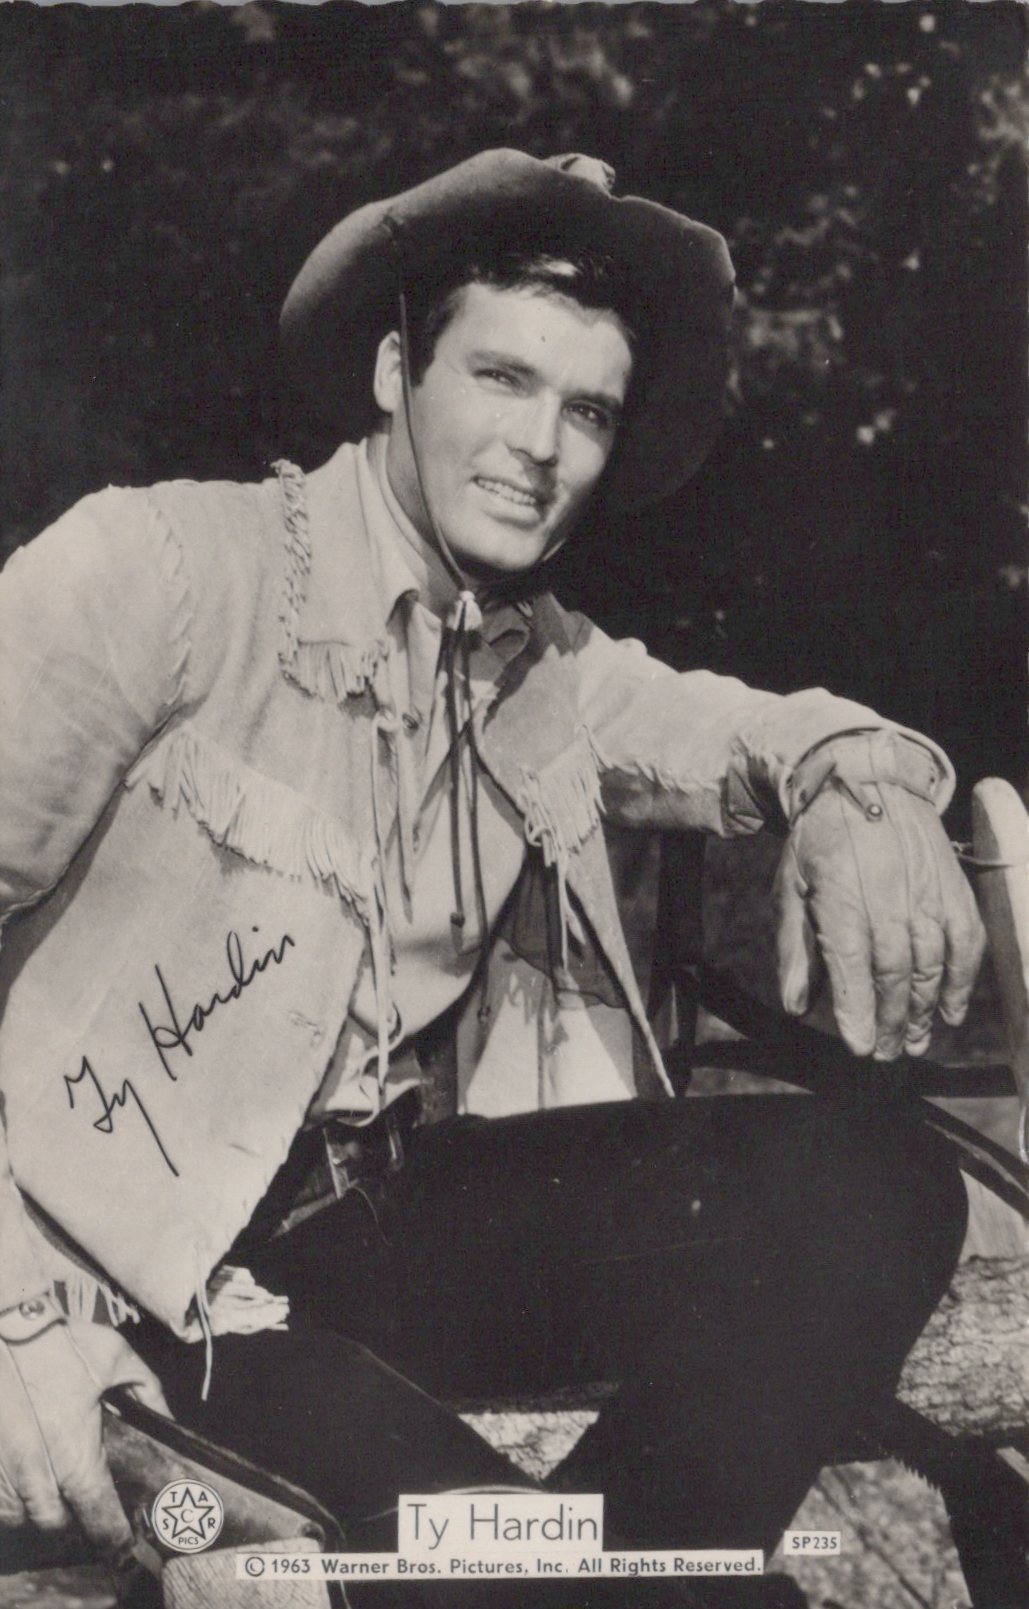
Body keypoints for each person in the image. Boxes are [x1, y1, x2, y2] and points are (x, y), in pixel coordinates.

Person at [0, 150, 984, 1605]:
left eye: (584, 409)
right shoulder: (163, 571)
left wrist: (869, 783)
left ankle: (612, 1581)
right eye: (500, 379)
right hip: (142, 1281)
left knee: (878, 1178)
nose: (544, 445)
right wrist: (15, 1313)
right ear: (397, 370)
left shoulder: (535, 658)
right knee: (566, 1571)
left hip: (372, 1226)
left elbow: (738, 727)